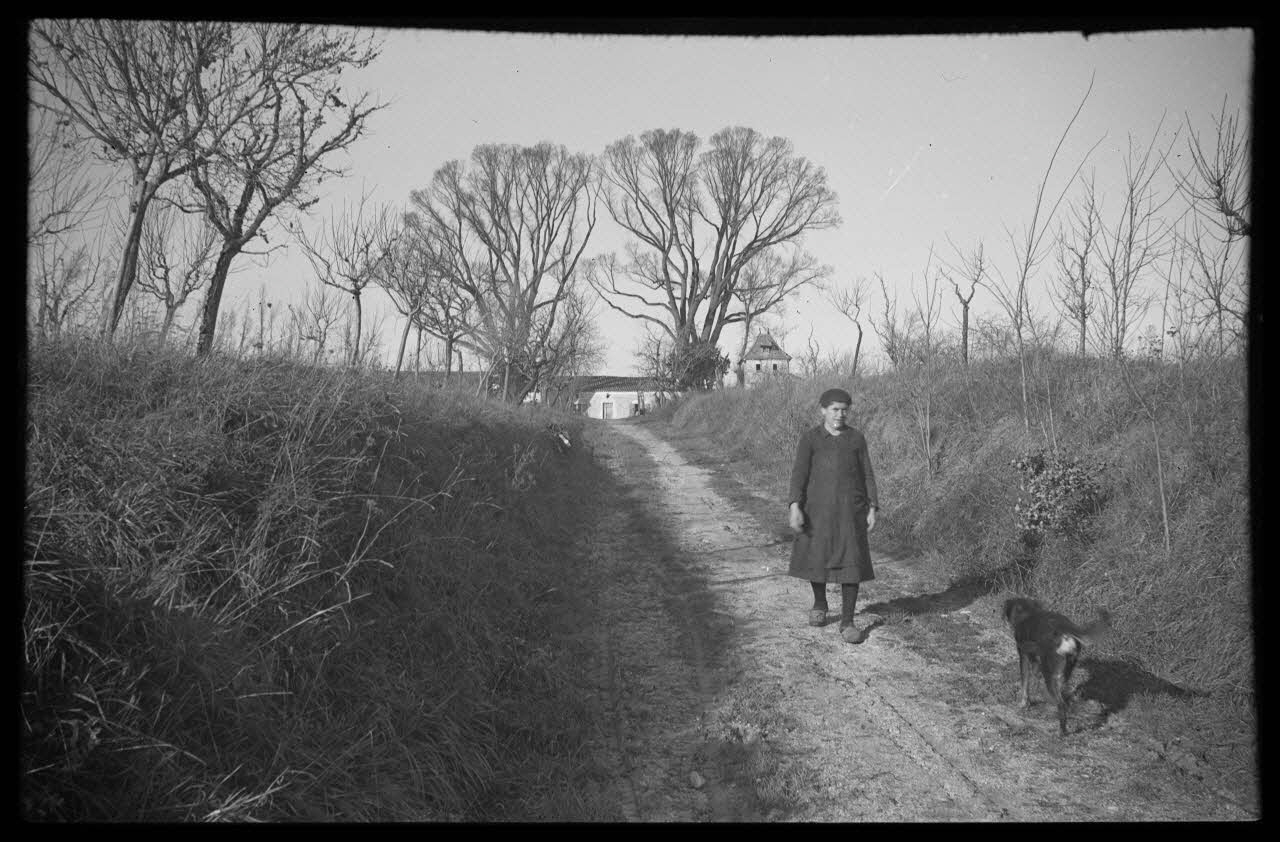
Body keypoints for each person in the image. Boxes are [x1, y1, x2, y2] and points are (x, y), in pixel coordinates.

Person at [787, 387, 879, 644]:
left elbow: (868, 474)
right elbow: (799, 474)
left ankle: (848, 622)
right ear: (823, 411)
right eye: (835, 410)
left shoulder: (856, 439)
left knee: (852, 563)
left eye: (844, 410)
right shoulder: (810, 439)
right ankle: (819, 604)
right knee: (817, 558)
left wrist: (873, 506)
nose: (840, 415)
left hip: (851, 512)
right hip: (817, 511)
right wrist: (795, 505)